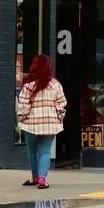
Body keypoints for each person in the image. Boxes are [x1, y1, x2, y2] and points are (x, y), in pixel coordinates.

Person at [16, 54, 67, 190]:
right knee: (45, 151)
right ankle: (42, 179)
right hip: (50, 124)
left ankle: (34, 177)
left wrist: (22, 118)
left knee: (32, 152)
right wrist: (59, 117)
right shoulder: (55, 84)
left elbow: (22, 106)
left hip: (31, 124)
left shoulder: (28, 85)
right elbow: (61, 104)